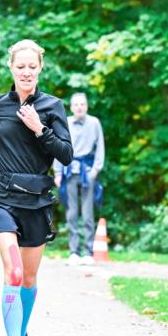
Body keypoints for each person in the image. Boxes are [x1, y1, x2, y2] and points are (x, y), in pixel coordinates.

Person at [0, 39, 73, 336]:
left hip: (37, 200)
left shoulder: (53, 106)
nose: (26, 72)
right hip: (2, 197)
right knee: (13, 272)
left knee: (28, 278)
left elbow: (66, 154)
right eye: (20, 66)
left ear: (40, 68)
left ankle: (21, 335)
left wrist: (39, 128)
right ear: (11, 68)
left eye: (32, 66)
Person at [52, 93, 105, 265]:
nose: (79, 107)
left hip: (87, 172)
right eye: (76, 104)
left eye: (82, 104)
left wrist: (95, 169)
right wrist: (58, 173)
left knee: (88, 213)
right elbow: (58, 148)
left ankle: (88, 252)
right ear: (71, 107)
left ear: (86, 106)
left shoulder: (94, 123)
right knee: (71, 213)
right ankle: (74, 252)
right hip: (69, 172)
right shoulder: (65, 123)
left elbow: (100, 147)